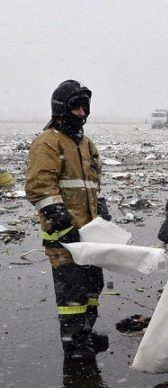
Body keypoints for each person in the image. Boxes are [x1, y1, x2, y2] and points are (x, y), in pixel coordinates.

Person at [26, 80, 111, 359]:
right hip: (63, 236)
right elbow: (40, 186)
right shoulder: (48, 142)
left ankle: (85, 332)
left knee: (92, 286)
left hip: (89, 234)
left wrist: (102, 209)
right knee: (72, 293)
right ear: (62, 108)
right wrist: (62, 222)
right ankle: (73, 342)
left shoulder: (86, 144)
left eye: (84, 106)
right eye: (76, 106)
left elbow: (92, 184)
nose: (81, 112)